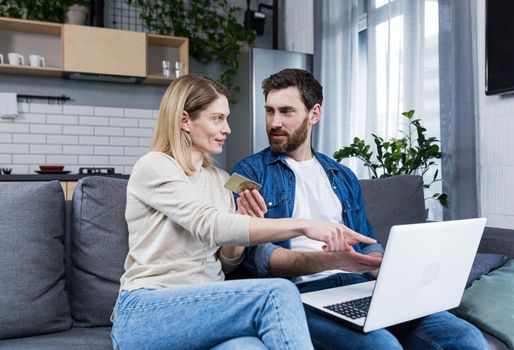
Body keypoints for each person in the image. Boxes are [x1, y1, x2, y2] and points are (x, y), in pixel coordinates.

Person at [110, 73, 380, 350]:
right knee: (278, 293)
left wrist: (241, 225)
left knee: (250, 347)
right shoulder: (155, 165)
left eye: (226, 118)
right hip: (149, 307)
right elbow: (209, 224)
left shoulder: (220, 178)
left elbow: (228, 262)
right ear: (184, 120)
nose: (227, 129)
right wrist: (303, 225)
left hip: (211, 305)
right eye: (217, 119)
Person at [231, 68, 490, 350]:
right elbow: (258, 257)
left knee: (467, 338)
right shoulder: (248, 173)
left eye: (286, 111)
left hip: (362, 286)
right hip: (302, 294)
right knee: (383, 347)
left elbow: (366, 239)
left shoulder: (341, 175)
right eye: (269, 111)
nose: (274, 122)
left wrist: (380, 264)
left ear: (314, 114)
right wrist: (332, 261)